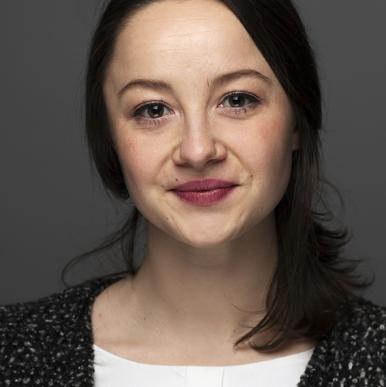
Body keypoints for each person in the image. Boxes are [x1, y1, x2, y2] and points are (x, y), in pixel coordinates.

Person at [1, 0, 385, 386]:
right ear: (110, 138)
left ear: (298, 121)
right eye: (153, 110)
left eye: (237, 100)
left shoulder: (375, 355)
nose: (198, 150)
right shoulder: (11, 351)